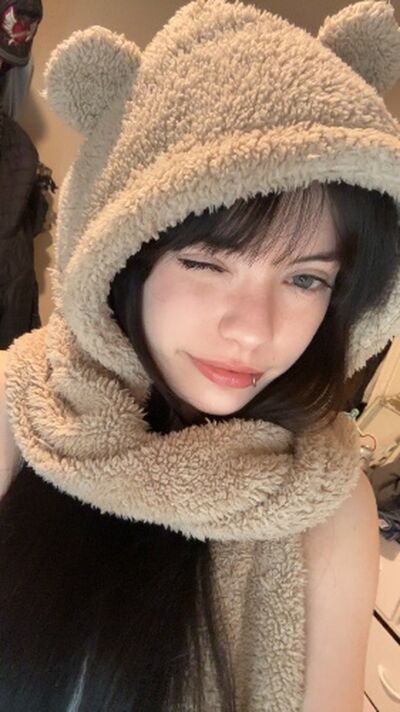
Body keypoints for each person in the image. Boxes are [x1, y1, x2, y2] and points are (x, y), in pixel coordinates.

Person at [0, 0, 400, 709]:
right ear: (123, 258)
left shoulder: (330, 503)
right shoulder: (18, 412)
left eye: (305, 279)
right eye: (208, 263)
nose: (254, 331)